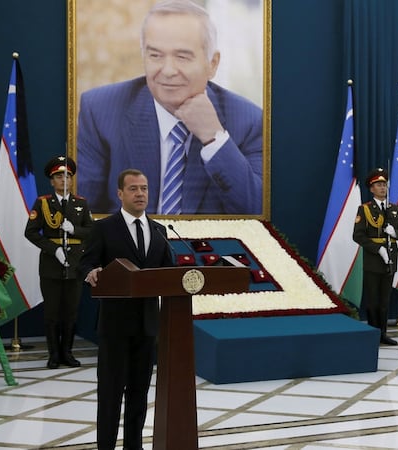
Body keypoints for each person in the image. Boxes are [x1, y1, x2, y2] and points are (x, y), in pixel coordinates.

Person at [77, 0, 263, 215]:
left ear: (212, 64)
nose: (167, 71)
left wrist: (214, 138)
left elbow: (257, 213)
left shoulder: (249, 122)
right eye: (155, 55)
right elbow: (81, 214)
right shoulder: (100, 111)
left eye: (182, 57)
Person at [81, 169, 173, 450]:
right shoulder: (104, 228)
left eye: (144, 188)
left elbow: (168, 272)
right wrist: (90, 271)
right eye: (133, 189)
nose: (140, 194)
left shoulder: (159, 231)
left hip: (147, 326)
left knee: (139, 393)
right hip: (115, 326)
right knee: (110, 394)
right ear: (119, 193)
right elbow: (86, 262)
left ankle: (134, 446)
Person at [25, 156, 94, 369]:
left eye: (67, 176)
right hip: (51, 265)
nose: (64, 180)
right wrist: (53, 249)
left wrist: (74, 230)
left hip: (75, 265)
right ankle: (54, 355)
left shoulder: (81, 203)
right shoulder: (43, 203)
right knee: (52, 313)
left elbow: (92, 232)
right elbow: (30, 232)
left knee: (71, 312)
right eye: (59, 176)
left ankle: (67, 353)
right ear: (52, 180)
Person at [353, 168, 398, 346]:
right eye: (378, 185)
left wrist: (394, 232)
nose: (382, 187)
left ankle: (383, 334)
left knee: (385, 300)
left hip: (390, 259)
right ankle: (373, 333)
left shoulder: (394, 209)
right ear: (371, 189)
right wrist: (378, 249)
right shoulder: (365, 209)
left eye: (384, 184)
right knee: (373, 300)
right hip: (373, 259)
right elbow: (358, 236)